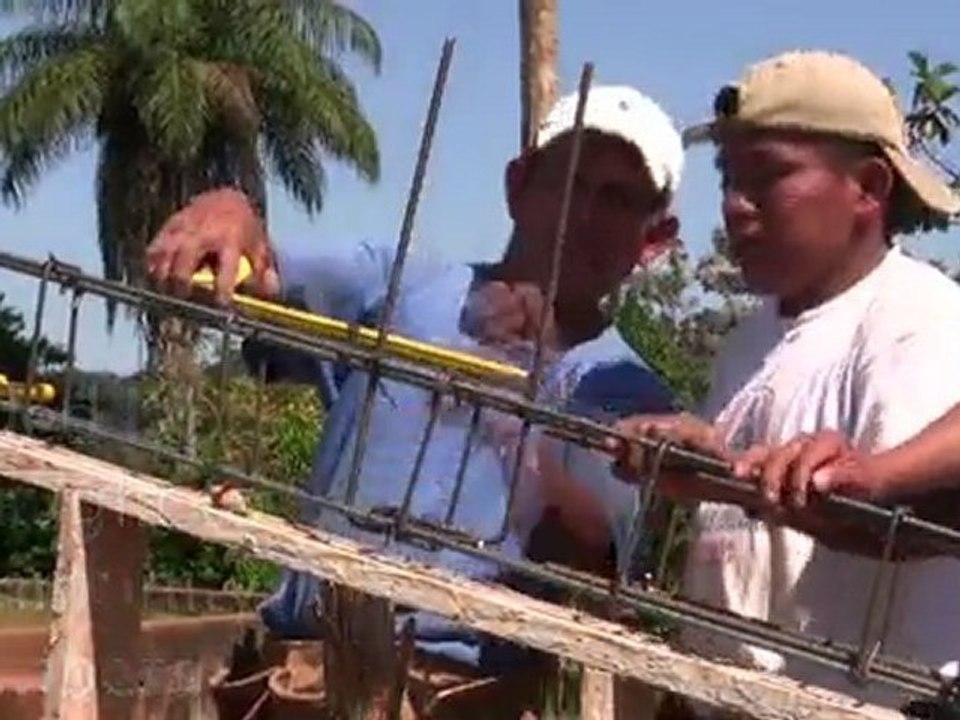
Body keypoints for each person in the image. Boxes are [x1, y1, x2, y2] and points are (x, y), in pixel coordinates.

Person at [145, 85, 686, 672]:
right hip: (295, 668)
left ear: (654, 240)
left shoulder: (628, 392)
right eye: (568, 181)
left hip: (457, 688)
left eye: (617, 198)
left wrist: (514, 419)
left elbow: (594, 573)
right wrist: (228, 209)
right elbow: (259, 274)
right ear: (518, 185)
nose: (582, 214)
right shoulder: (401, 283)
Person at [610, 50, 960, 713]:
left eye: (767, 178)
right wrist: (704, 468)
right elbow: (763, 526)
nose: (736, 207)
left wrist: (857, 485)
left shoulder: (915, 322)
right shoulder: (751, 340)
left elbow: (924, 521)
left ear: (869, 188)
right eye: (728, 179)